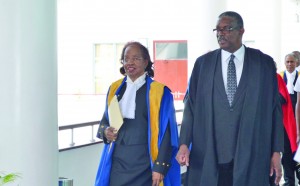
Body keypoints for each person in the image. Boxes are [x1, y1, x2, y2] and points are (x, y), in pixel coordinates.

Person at [176, 11, 284, 186]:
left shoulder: (263, 64)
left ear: (241, 31)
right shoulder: (203, 64)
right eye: (217, 30)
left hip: (253, 153)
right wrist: (183, 144)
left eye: (227, 29)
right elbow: (191, 107)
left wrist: (276, 151)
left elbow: (275, 111)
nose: (220, 34)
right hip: (210, 155)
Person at [94, 41, 180, 186]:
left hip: (145, 163)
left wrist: (160, 167)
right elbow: (105, 122)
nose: (130, 62)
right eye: (126, 59)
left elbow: (167, 133)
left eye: (136, 58)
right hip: (118, 161)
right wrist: (106, 131)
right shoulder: (115, 89)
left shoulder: (160, 92)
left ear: (146, 62)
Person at [279, 53, 300, 186]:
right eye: (287, 62)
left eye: (292, 62)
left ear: (297, 63)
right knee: (286, 152)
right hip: (284, 121)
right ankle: (288, 181)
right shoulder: (280, 77)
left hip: (297, 120)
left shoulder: (299, 77)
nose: (289, 64)